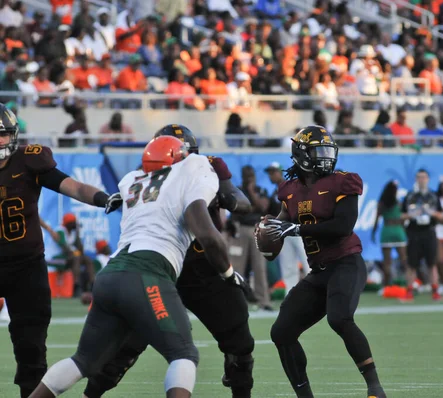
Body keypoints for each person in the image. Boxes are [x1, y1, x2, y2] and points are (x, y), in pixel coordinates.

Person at [29, 135, 244, 398]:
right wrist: (229, 274)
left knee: (82, 360)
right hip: (147, 272)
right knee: (184, 355)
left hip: (110, 275)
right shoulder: (193, 169)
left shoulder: (133, 180)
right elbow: (209, 236)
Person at [84, 125, 256, 398]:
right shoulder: (143, 176)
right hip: (157, 269)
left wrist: (224, 197)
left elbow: (241, 202)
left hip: (201, 269)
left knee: (240, 345)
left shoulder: (205, 168)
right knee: (123, 350)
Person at [0, 102, 122, 397]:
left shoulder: (29, 160)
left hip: (25, 266)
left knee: (31, 346)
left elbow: (72, 186)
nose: (0, 140)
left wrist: (102, 197)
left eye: (3, 134)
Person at [261, 126, 386, 398]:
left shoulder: (343, 182)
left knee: (339, 318)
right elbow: (282, 219)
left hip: (346, 263)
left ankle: (375, 388)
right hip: (319, 272)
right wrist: (270, 228)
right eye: (319, 151)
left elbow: (343, 226)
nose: (326, 157)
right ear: (302, 154)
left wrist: (295, 229)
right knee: (281, 331)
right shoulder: (290, 190)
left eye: (328, 150)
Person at [229, 165, 273, 310]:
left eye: (250, 175)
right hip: (240, 230)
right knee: (237, 267)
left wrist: (251, 191)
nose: (248, 178)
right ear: (242, 176)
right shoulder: (237, 190)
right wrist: (251, 207)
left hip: (257, 229)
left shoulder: (260, 190)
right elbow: (236, 209)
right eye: (246, 175)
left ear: (254, 175)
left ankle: (263, 301)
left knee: (259, 267)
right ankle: (236, 300)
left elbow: (263, 207)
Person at [265, 161, 309, 295]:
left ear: (280, 172)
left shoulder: (291, 187)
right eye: (270, 173)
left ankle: (315, 293)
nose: (271, 176)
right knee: (288, 266)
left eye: (273, 172)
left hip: (296, 229)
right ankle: (291, 296)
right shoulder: (274, 193)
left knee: (308, 261)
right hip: (283, 232)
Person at [402, 169, 443, 301]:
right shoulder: (410, 195)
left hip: (429, 231)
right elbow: (402, 215)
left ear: (428, 179)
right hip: (414, 232)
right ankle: (409, 291)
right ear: (416, 179)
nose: (421, 180)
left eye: (424, 177)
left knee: (432, 263)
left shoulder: (433, 195)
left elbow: (440, 215)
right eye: (419, 177)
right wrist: (411, 215)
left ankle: (435, 291)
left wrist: (431, 212)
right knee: (411, 264)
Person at [371, 180, 408, 286]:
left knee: (387, 262)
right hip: (398, 231)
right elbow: (402, 220)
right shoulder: (398, 203)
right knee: (404, 260)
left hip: (386, 231)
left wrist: (373, 233)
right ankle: (409, 284)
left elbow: (376, 219)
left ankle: (387, 286)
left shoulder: (381, 203)